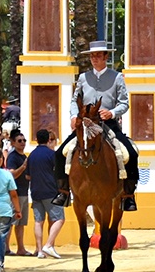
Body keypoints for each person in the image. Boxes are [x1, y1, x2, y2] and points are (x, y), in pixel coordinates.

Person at [52, 41, 140, 211]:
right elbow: (74, 100)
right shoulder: (83, 78)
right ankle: (63, 192)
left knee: (130, 153)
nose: (94, 58)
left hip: (108, 124)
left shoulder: (117, 77)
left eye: (98, 55)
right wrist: (73, 115)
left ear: (106, 57)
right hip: (85, 124)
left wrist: (112, 113)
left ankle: (128, 196)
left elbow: (124, 103)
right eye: (92, 55)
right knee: (59, 153)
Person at [27, 129, 64, 259]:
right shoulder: (52, 154)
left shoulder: (31, 155)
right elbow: (60, 172)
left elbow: (27, 176)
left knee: (38, 221)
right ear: (48, 139)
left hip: (36, 191)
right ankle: (48, 245)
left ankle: (39, 250)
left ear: (37, 139)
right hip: (50, 191)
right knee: (59, 219)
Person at [5, 130, 32, 256]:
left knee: (21, 223)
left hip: (24, 191)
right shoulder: (13, 157)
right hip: (15, 192)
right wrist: (23, 167)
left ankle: (20, 248)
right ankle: (6, 247)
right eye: (19, 141)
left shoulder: (23, 156)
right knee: (11, 222)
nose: (23, 143)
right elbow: (11, 174)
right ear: (13, 143)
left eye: (24, 140)